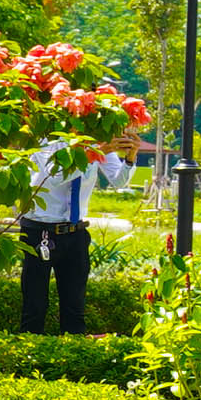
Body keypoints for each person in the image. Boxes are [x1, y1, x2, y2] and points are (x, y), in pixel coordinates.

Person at [18, 140, 131, 335]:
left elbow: (118, 181)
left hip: (75, 232)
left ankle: (75, 348)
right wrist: (92, 155)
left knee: (75, 305)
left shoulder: (97, 141)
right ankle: (30, 346)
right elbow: (55, 176)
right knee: (35, 304)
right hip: (40, 231)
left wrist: (131, 157)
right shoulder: (50, 140)